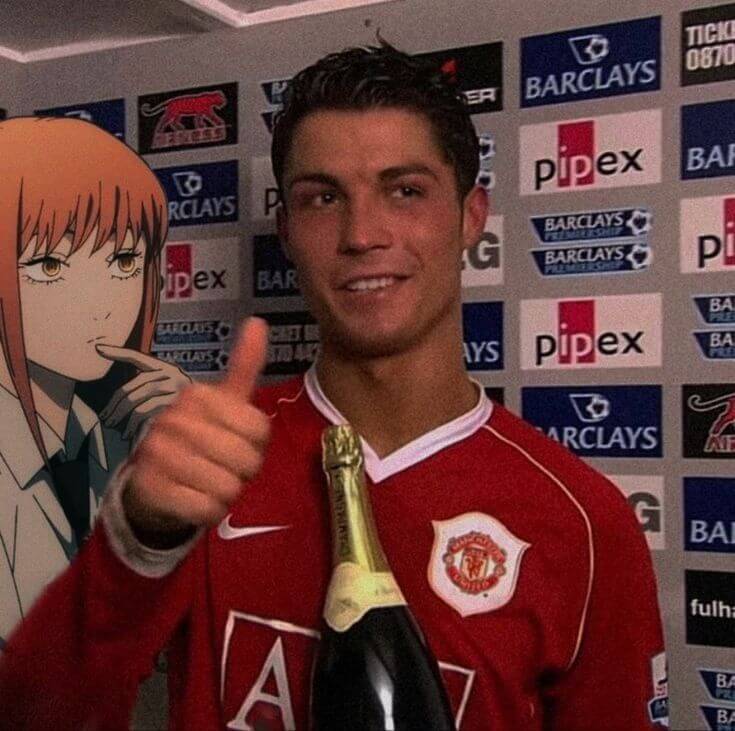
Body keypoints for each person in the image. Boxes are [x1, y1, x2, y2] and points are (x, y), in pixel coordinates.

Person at [0, 44, 667, 730]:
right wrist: (137, 539)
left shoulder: (585, 523)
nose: (361, 234)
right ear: (286, 230)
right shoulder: (200, 464)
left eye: (404, 191)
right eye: (323, 198)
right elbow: (33, 710)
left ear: (471, 216)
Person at [0, 116, 190, 650]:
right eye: (50, 266)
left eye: (124, 261)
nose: (100, 304)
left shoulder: (115, 433)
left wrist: (186, 444)